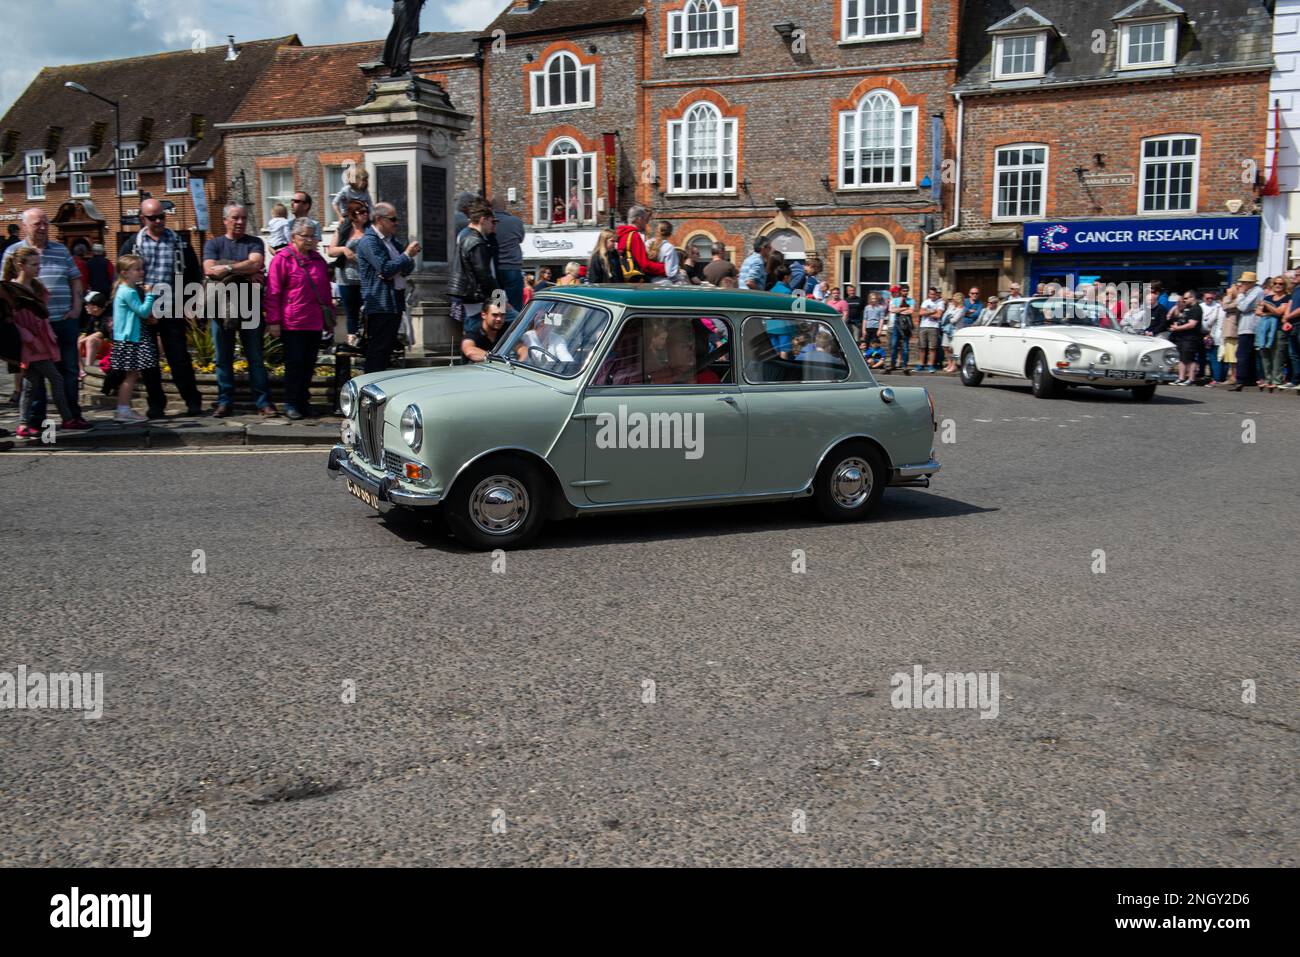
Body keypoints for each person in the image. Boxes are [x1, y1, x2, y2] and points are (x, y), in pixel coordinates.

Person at [119, 197, 205, 417]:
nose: (158, 221)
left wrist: (191, 303)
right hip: (143, 309)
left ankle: (192, 400)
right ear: (142, 219)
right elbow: (122, 278)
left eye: (161, 216)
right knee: (149, 361)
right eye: (153, 217)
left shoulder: (180, 242)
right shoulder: (132, 244)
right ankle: (156, 404)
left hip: (171, 305)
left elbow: (193, 273)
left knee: (179, 357)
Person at [2, 208, 86, 427]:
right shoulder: (14, 252)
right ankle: (34, 420)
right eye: (37, 223)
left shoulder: (60, 250)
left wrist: (77, 308)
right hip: (32, 329)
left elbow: (75, 279)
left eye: (45, 223)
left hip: (64, 320)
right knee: (35, 377)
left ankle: (72, 415)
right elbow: (4, 289)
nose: (42, 228)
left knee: (69, 370)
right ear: (24, 226)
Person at [203, 203, 276, 417]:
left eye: (243, 218)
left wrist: (225, 268)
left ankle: (263, 402)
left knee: (255, 357)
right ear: (225, 220)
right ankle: (224, 402)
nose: (240, 222)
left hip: (249, 306)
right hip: (220, 307)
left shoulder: (254, 242)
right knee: (223, 358)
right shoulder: (213, 244)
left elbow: (256, 264)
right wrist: (242, 271)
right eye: (235, 217)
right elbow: (208, 270)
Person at [266, 219, 331, 419]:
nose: (310, 240)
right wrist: (274, 321)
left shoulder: (318, 260)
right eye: (306, 236)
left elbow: (325, 292)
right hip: (292, 322)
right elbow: (273, 292)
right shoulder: (282, 259)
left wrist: (329, 317)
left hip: (314, 322)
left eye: (313, 236)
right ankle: (291, 403)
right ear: (294, 237)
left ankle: (304, 401)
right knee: (295, 365)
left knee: (309, 364)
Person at [357, 202, 419, 374]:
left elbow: (407, 268)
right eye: (392, 219)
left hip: (394, 303)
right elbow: (386, 268)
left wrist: (401, 262)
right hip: (380, 304)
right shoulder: (370, 241)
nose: (396, 223)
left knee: (387, 352)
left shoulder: (392, 242)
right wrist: (405, 256)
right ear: (379, 219)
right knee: (377, 353)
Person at [108, 253, 160, 424]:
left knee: (132, 374)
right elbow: (143, 311)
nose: (141, 272)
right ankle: (122, 410)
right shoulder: (128, 291)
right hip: (131, 339)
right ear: (125, 273)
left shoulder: (124, 290)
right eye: (137, 269)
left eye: (141, 268)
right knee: (131, 376)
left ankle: (124, 409)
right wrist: (151, 295)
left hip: (128, 337)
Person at [447, 201, 498, 337]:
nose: (493, 226)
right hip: (474, 296)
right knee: (474, 334)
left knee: (472, 334)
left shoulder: (468, 237)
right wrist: (499, 296)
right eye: (491, 222)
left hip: (468, 295)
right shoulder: (475, 241)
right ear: (482, 220)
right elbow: (483, 274)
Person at [327, 201, 371, 350]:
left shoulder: (370, 230)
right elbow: (331, 251)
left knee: (368, 311)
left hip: (366, 278)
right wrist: (344, 249)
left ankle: (366, 340)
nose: (365, 214)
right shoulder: (344, 228)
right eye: (361, 212)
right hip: (346, 278)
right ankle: (352, 344)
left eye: (366, 211)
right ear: (353, 214)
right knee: (351, 312)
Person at [1229, 272, 1264, 391]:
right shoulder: (1248, 293)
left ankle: (1241, 380)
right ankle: (1249, 379)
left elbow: (1243, 307)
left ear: (1251, 283)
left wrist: (1239, 294)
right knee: (1246, 353)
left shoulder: (1257, 291)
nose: (1241, 285)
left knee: (1242, 354)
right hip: (1245, 326)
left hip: (1250, 327)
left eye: (1243, 282)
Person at [491, 196, 526, 311]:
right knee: (515, 306)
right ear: (505, 207)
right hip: (512, 267)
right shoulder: (516, 221)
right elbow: (520, 239)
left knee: (498, 307)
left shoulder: (490, 222)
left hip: (495, 270)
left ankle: (500, 326)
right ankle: (513, 327)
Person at [615, 206, 666, 283]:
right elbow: (644, 264)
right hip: (636, 281)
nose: (646, 223)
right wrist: (665, 268)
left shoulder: (623, 235)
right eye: (645, 220)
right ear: (639, 219)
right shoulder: (634, 236)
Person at [1256, 277, 1288, 392]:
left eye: (1281, 283)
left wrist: (1267, 306)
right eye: (1275, 283)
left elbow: (1280, 312)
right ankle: (1268, 379)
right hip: (1265, 330)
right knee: (1265, 354)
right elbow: (1258, 312)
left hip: (1279, 330)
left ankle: (1276, 380)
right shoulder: (1268, 297)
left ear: (1285, 285)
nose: (1278, 285)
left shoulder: (1287, 297)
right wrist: (1271, 311)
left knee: (1277, 356)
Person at [1168, 290, 1203, 386]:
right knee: (1182, 358)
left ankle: (1191, 379)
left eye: (1186, 298)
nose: (1184, 300)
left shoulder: (1196, 309)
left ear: (1193, 298)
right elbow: (1182, 320)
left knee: (1190, 358)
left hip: (1191, 338)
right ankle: (1181, 378)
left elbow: (1192, 324)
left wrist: (1177, 328)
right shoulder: (1188, 309)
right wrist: (1177, 324)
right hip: (1183, 337)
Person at [78, 290, 111, 375]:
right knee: (78, 340)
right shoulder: (93, 317)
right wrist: (80, 339)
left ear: (96, 307)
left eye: (88, 304)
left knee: (91, 340)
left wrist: (82, 340)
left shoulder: (107, 316)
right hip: (98, 347)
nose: (85, 306)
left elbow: (101, 333)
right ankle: (81, 370)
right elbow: (86, 332)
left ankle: (89, 368)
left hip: (110, 348)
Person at [1199, 290, 1226, 386]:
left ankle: (1216, 379)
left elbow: (1210, 321)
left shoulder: (1219, 308)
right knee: (1224, 359)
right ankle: (1223, 378)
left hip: (1217, 337)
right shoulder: (1233, 309)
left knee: (1215, 359)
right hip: (1227, 337)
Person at [887, 283, 915, 373]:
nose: (905, 292)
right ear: (900, 291)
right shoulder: (895, 300)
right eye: (903, 291)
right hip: (897, 324)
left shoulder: (911, 300)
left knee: (905, 346)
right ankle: (892, 364)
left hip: (906, 325)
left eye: (906, 291)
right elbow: (892, 310)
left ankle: (904, 365)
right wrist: (903, 309)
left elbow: (911, 311)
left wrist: (899, 310)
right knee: (894, 345)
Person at [917, 286, 944, 373]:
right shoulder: (925, 302)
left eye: (933, 294)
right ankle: (921, 364)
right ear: (928, 294)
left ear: (936, 294)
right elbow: (920, 313)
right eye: (930, 294)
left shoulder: (940, 303)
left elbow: (938, 315)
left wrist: (927, 313)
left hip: (934, 327)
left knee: (932, 347)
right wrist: (932, 312)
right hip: (923, 326)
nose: (932, 296)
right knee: (922, 347)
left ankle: (931, 365)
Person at [941, 294, 964, 373]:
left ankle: (954, 365)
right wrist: (949, 317)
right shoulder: (951, 307)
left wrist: (949, 317)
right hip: (947, 329)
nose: (952, 301)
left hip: (955, 331)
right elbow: (945, 316)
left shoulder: (962, 309)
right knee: (945, 347)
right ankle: (949, 363)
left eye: (954, 300)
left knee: (954, 349)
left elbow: (955, 320)